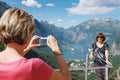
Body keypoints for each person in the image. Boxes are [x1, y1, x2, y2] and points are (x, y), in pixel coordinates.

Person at [0, 8, 71, 80]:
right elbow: (66, 78)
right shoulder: (34, 65)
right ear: (26, 34)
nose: (32, 36)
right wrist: (56, 50)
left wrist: (27, 49)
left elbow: (14, 64)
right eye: (32, 33)